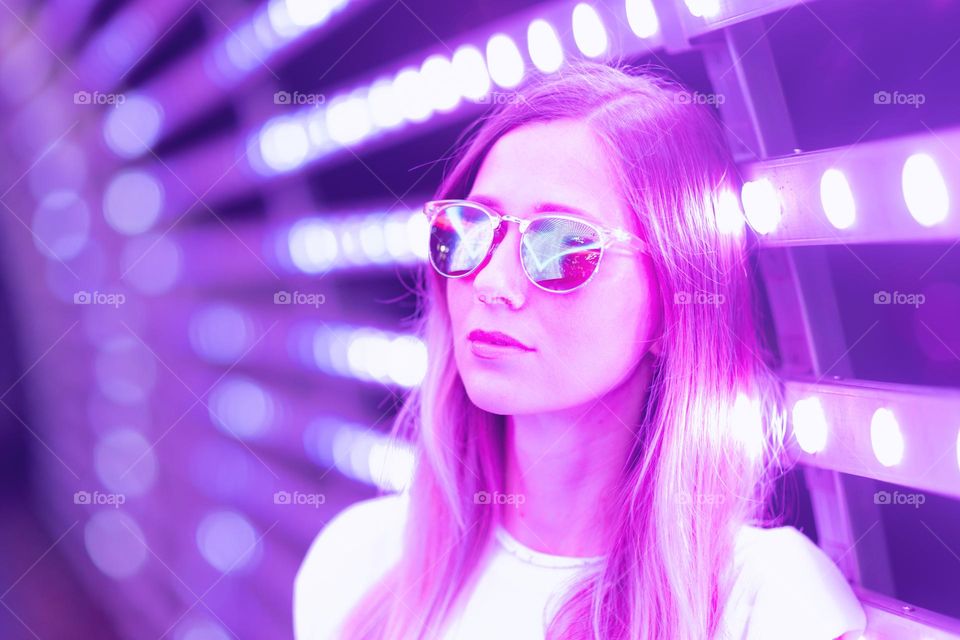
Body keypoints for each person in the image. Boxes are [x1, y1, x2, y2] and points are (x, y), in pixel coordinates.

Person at [294, 62, 867, 640]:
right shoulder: (357, 563)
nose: (491, 283)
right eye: (470, 228)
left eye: (562, 247)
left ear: (675, 304)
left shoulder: (769, 605)